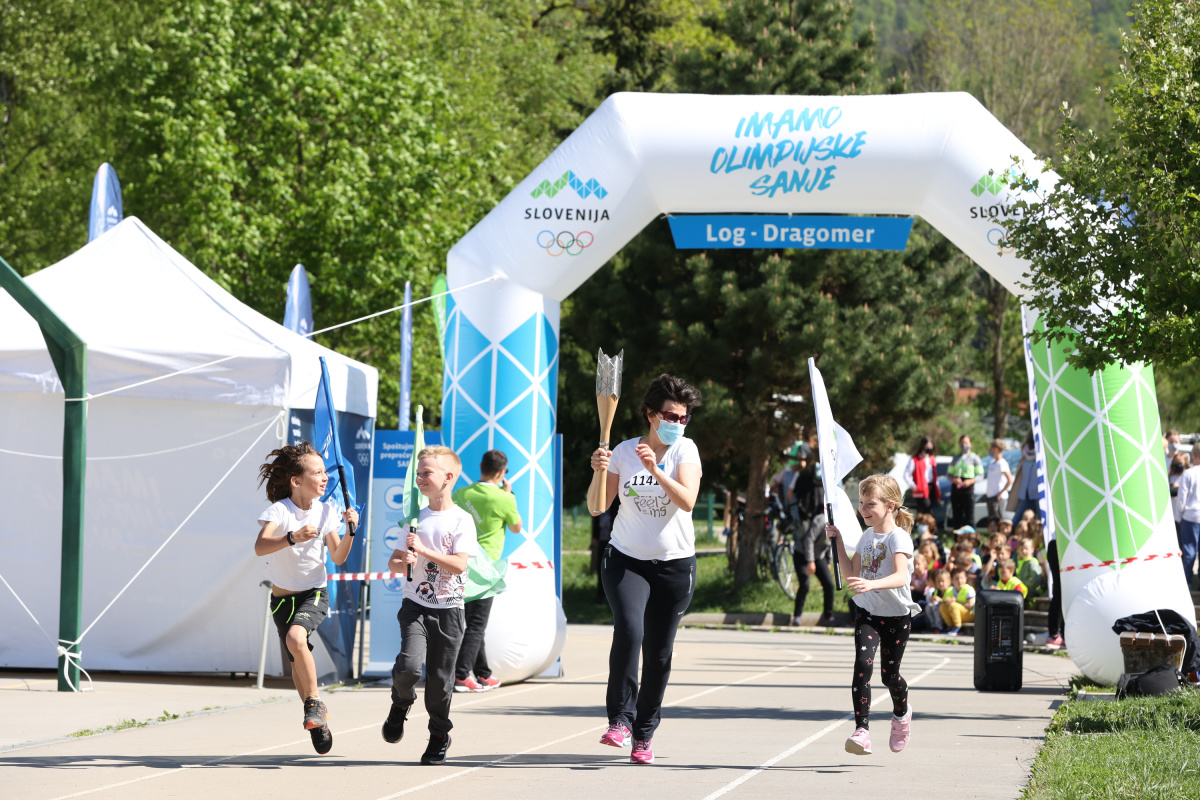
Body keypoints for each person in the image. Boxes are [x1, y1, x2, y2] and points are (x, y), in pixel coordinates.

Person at [588, 373, 703, 765]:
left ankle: (644, 732)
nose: (677, 423)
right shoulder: (622, 451)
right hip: (626, 560)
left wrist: (656, 470)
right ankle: (620, 720)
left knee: (658, 653)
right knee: (629, 631)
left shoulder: (686, 450)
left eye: (683, 418)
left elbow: (687, 501)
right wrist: (598, 470)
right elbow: (597, 506)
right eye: (670, 416)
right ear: (651, 415)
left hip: (675, 566)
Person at [254, 442, 359, 755]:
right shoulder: (280, 510)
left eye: (325, 472)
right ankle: (316, 719)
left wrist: (351, 532)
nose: (325, 478)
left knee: (296, 638)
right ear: (296, 481)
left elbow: (338, 557)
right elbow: (260, 546)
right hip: (281, 601)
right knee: (296, 664)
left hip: (313, 593)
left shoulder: (326, 511)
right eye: (317, 472)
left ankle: (314, 703)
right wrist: (292, 537)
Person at [381, 446, 478, 765]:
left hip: (450, 609)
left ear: (448, 477)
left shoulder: (462, 520)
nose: (419, 478)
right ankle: (400, 703)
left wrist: (422, 550)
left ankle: (439, 734)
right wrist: (404, 561)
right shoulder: (414, 518)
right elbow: (394, 562)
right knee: (409, 667)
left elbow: (459, 565)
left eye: (427, 473)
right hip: (416, 605)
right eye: (418, 473)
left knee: (439, 680)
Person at [827, 474, 920, 756]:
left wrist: (872, 584)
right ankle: (862, 731)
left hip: (896, 617)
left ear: (890, 506)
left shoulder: (898, 537)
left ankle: (901, 713)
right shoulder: (866, 537)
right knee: (862, 667)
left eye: (870, 504)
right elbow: (852, 575)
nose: (863, 509)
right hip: (867, 612)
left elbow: (900, 576)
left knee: (889, 677)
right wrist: (838, 542)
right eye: (861, 503)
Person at [451, 449, 523, 693]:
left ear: (481, 467)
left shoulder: (461, 493)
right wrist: (509, 494)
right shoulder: (504, 498)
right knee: (477, 624)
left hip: (460, 562)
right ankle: (461, 674)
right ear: (502, 473)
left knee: (472, 622)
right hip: (485, 568)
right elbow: (516, 527)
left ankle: (483, 673)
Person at [791, 451, 836, 627]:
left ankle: (828, 616)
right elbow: (808, 540)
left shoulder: (836, 523)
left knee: (829, 585)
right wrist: (810, 562)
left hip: (818, 556)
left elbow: (831, 543)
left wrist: (828, 561)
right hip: (802, 554)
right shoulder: (821, 520)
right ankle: (797, 616)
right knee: (805, 584)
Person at [1176, 442, 1200, 591]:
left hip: (1190, 516)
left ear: (1194, 456)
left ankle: (1188, 581)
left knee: (1189, 550)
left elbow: (1181, 498)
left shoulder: (1188, 473)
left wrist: (1178, 516)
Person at [947, 435, 983, 529]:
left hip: (968, 489)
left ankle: (971, 536)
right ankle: (957, 536)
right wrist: (953, 479)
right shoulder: (956, 458)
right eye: (962, 443)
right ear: (959, 444)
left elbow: (980, 475)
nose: (964, 445)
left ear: (970, 444)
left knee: (969, 517)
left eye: (966, 443)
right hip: (956, 489)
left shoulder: (974, 458)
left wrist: (970, 481)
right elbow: (949, 474)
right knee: (957, 516)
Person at [902, 437, 941, 516]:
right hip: (921, 490)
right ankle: (931, 524)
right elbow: (906, 474)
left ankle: (921, 524)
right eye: (927, 446)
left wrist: (938, 488)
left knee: (923, 514)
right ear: (922, 446)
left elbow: (934, 476)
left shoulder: (932, 459)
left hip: (931, 488)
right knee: (928, 513)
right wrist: (913, 486)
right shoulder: (915, 459)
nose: (929, 448)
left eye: (931, 446)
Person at [1009, 432, 1040, 522]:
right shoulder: (1025, 456)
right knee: (1017, 521)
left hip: (1038, 494)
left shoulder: (1041, 455)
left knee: (1040, 522)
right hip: (1025, 494)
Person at [984, 439, 1014, 523]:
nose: (990, 450)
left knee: (998, 521)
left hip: (998, 497)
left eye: (991, 448)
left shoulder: (1002, 463)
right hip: (990, 496)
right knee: (991, 521)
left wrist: (1000, 493)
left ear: (996, 449)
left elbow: (1010, 480)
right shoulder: (992, 462)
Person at [939, 569, 976, 635]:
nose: (959, 581)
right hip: (958, 614)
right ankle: (950, 627)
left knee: (953, 605)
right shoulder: (950, 590)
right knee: (943, 607)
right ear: (952, 581)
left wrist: (955, 601)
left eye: (961, 578)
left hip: (970, 614)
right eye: (956, 579)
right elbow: (943, 602)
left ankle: (958, 627)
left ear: (966, 579)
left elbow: (970, 606)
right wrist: (946, 601)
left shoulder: (969, 589)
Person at [1170, 451, 1191, 543]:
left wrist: (1178, 488)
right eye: (1176, 463)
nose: (1178, 466)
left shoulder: (1187, 475)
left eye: (1180, 463)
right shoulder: (1170, 476)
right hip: (1172, 513)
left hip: (1184, 515)